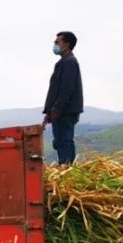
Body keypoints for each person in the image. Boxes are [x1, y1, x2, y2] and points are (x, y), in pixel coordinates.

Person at [42, 31, 84, 165]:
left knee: (63, 141)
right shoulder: (64, 62)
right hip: (63, 109)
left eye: (57, 42)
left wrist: (56, 109)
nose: (55, 45)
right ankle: (68, 167)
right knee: (65, 140)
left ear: (67, 44)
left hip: (65, 110)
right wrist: (49, 110)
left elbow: (66, 89)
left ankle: (66, 167)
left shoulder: (69, 63)